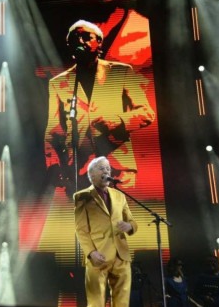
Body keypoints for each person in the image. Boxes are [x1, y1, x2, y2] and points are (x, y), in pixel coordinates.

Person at [45, 19, 155, 198]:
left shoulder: (122, 72)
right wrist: (53, 163)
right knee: (86, 223)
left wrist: (118, 120)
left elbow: (147, 113)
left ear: (99, 42)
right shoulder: (58, 83)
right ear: (68, 45)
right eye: (75, 38)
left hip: (117, 166)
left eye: (87, 37)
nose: (81, 42)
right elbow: (53, 129)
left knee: (120, 221)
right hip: (78, 169)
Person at [73, 156, 138, 307]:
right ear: (92, 174)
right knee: (96, 305)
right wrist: (91, 252)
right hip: (98, 256)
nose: (107, 171)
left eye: (108, 168)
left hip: (121, 256)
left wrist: (129, 226)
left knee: (122, 305)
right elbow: (81, 229)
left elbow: (133, 222)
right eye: (102, 168)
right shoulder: (82, 196)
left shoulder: (119, 195)